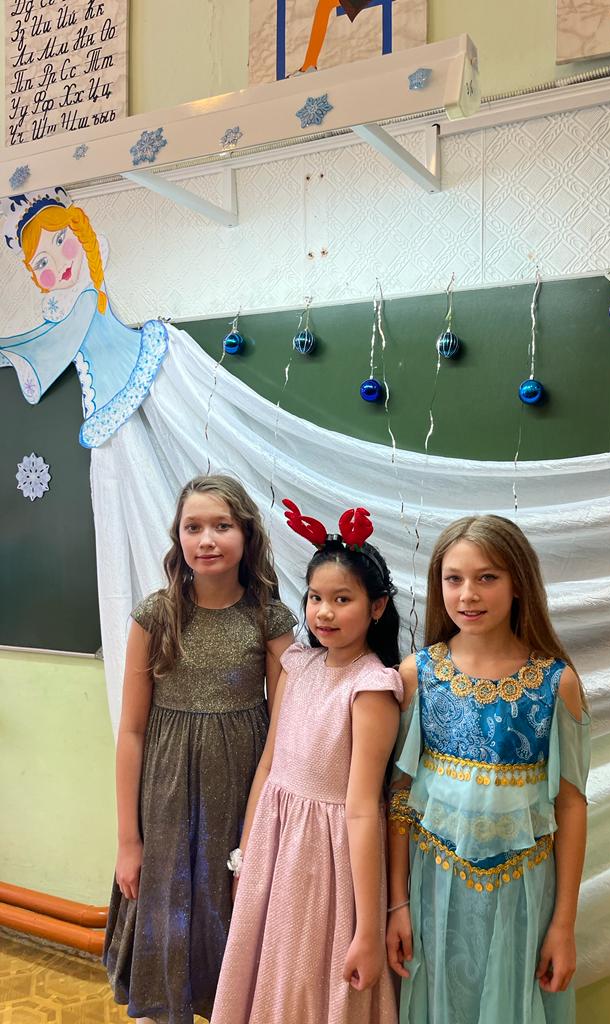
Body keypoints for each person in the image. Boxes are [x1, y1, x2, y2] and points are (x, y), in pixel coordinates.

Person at [103, 475, 296, 1024]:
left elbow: (284, 731)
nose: (207, 539)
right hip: (165, 802)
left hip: (240, 796)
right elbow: (132, 731)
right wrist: (128, 840)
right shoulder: (155, 616)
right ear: (178, 537)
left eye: (222, 525)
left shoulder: (270, 619)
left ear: (247, 535)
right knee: (166, 919)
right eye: (194, 527)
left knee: (228, 914)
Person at [387, 515, 590, 1024]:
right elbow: (399, 796)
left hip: (525, 898)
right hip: (433, 894)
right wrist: (397, 905)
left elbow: (571, 804)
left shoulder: (556, 683)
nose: (468, 594)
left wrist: (563, 925)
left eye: (487, 577)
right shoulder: (417, 676)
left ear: (518, 583)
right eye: (453, 578)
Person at [211, 499, 401, 1024]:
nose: (324, 613)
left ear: (377, 607)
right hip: (274, 851)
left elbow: (362, 808)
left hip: (328, 864)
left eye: (342, 599)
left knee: (311, 987)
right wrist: (246, 857)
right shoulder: (297, 664)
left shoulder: (372, 688)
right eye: (316, 597)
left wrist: (368, 929)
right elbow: (268, 767)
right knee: (270, 977)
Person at [0, 187, 167, 447]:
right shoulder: (72, 302)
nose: (58, 264)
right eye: (42, 263)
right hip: (106, 388)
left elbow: (52, 343)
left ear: (77, 230)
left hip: (120, 376)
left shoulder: (85, 298)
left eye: (60, 240)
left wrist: (10, 350)